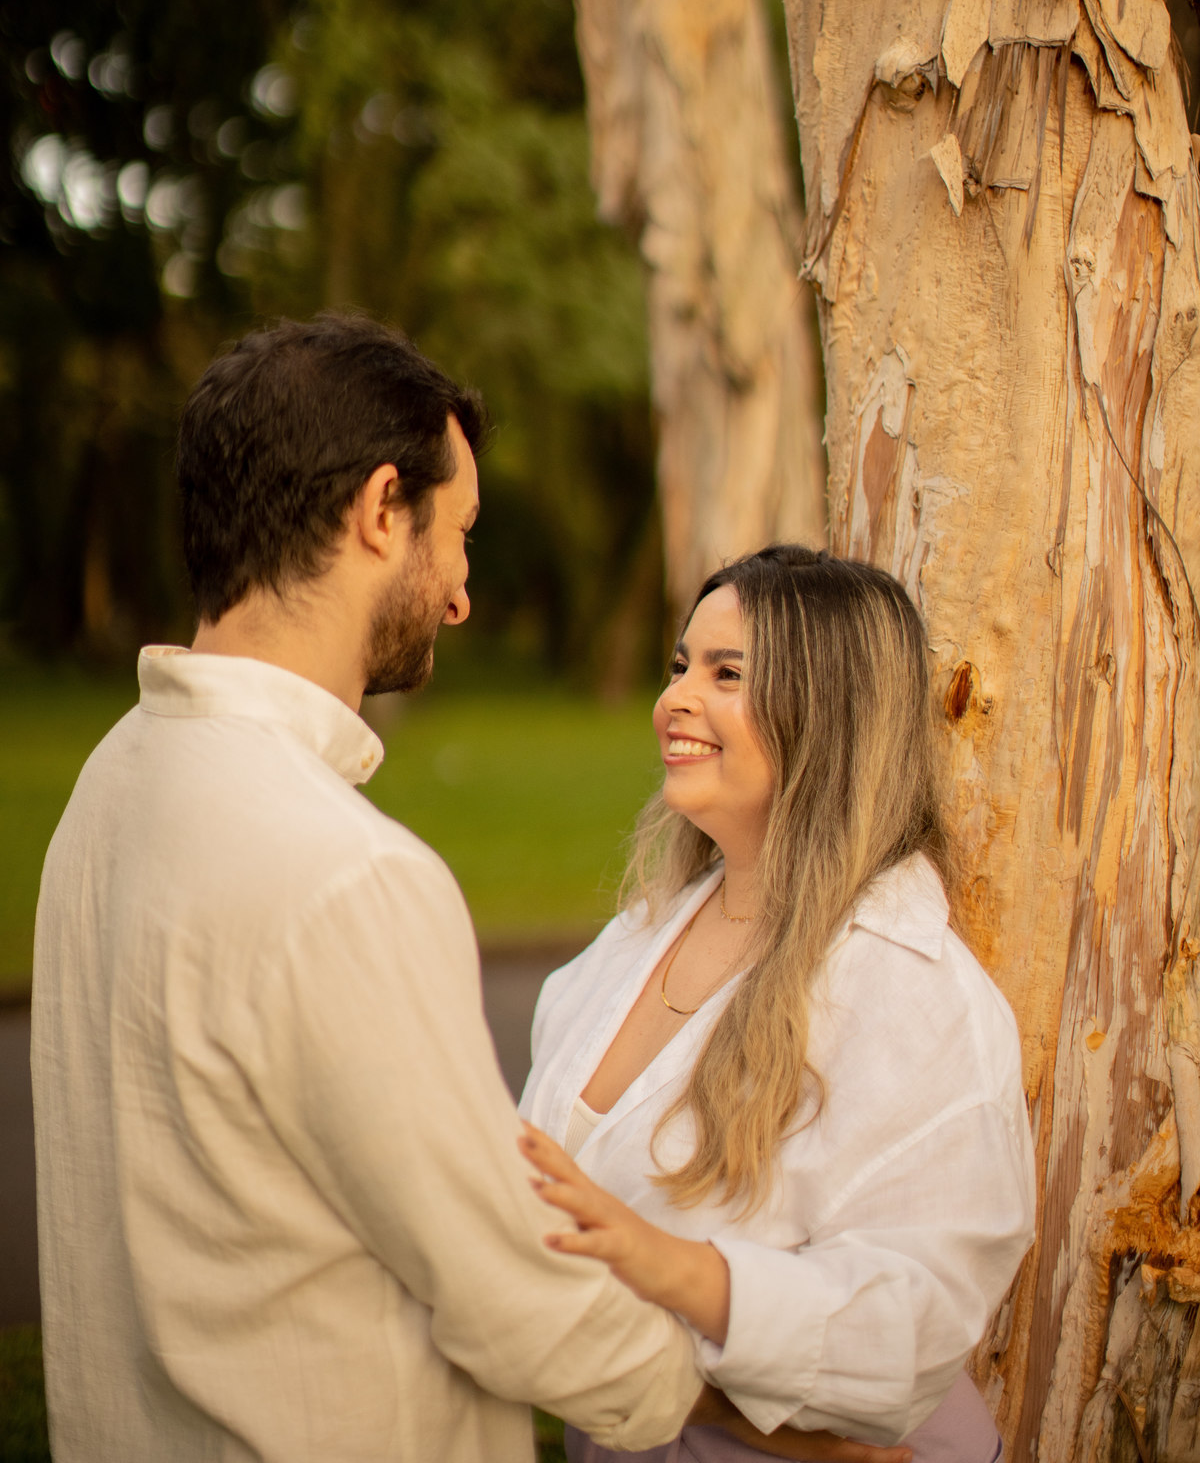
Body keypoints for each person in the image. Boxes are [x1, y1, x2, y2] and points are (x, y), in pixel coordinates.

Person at [33, 313, 717, 1463]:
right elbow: (505, 1286)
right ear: (379, 508)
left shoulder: (109, 786)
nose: (458, 594)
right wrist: (717, 1394)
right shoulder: (352, 876)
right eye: (458, 536)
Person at [518, 546, 1038, 1463]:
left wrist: (680, 1274)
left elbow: (914, 1318)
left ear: (827, 716)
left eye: (728, 674)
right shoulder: (633, 944)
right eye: (681, 665)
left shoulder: (917, 992)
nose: (675, 699)